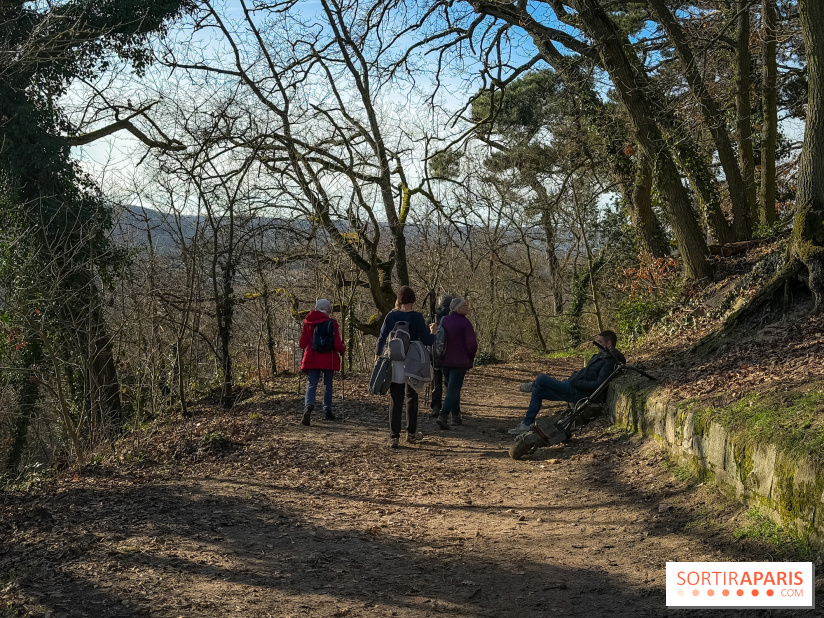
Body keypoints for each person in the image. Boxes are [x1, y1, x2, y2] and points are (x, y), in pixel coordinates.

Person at [508, 330, 625, 434]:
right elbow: (585, 373)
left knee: (541, 378)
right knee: (537, 391)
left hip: (579, 392)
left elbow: (598, 384)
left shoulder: (609, 361)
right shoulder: (601, 356)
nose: (597, 344)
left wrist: (576, 382)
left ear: (609, 344)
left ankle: (534, 384)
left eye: (600, 342)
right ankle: (526, 424)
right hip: (573, 385)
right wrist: (574, 377)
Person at [375, 285, 436, 448]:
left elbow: (382, 336)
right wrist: (434, 332)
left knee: (396, 398)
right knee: (412, 396)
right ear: (413, 300)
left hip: (396, 360)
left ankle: (394, 436)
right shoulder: (417, 317)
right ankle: (411, 433)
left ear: (398, 299)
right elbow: (427, 340)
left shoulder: (391, 316)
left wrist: (378, 353)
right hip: (413, 360)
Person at [298, 299, 346, 426]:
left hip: (312, 358)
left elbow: (302, 344)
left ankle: (308, 406)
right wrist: (343, 349)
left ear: (316, 307)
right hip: (329, 358)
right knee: (327, 384)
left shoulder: (308, 322)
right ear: (328, 309)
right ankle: (327, 410)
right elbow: (337, 344)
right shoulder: (332, 323)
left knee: (312, 383)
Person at [435, 296, 477, 430]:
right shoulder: (465, 323)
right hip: (460, 361)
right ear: (458, 308)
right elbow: (471, 345)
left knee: (451, 388)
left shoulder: (444, 320)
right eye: (465, 305)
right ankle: (443, 415)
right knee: (453, 390)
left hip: (444, 361)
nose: (467, 307)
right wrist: (471, 356)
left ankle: (456, 416)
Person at [429, 294, 454, 418]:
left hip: (435, 354)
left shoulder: (433, 317)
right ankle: (450, 408)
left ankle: (436, 406)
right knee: (449, 383)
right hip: (449, 355)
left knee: (436, 381)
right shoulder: (453, 317)